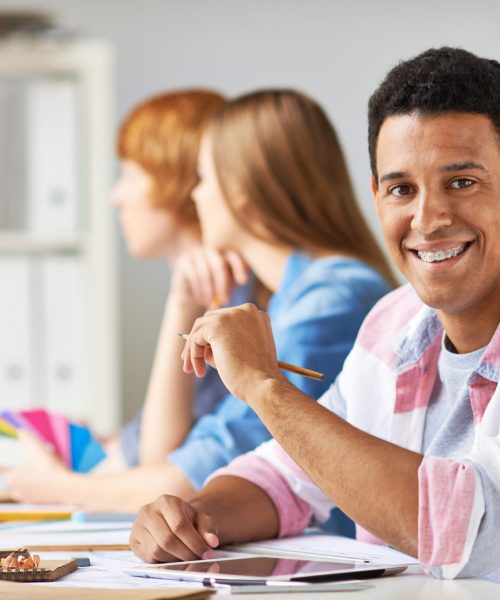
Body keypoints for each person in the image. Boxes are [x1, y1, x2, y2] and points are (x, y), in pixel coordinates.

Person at [129, 48, 500, 582]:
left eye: (461, 182)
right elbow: (287, 474)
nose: (429, 218)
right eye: (401, 189)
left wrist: (264, 385)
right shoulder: (393, 325)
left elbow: (466, 528)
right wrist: (195, 518)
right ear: (376, 198)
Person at [6, 88, 393, 513]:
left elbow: (190, 475)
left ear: (241, 188)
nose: (195, 195)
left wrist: (53, 487)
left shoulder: (329, 299)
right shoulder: (292, 298)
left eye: (205, 179)